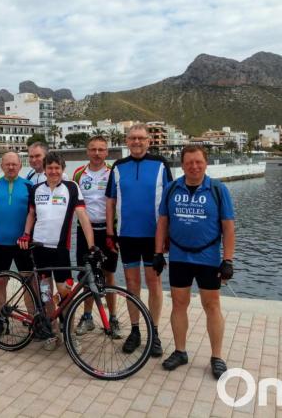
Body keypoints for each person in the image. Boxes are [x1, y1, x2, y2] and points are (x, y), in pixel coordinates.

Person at [157, 145, 235, 379]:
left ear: (205, 163)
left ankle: (217, 357)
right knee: (179, 304)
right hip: (179, 257)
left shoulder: (218, 189)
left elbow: (228, 227)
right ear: (182, 165)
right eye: (189, 162)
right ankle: (180, 351)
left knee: (212, 305)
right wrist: (158, 253)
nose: (194, 166)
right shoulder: (172, 188)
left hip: (208, 258)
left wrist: (228, 259)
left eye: (198, 162)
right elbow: (163, 222)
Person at [18, 151, 100, 350]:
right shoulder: (36, 189)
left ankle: (69, 334)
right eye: (50, 168)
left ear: (63, 169)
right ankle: (52, 333)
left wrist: (91, 246)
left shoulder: (71, 187)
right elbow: (31, 214)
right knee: (46, 294)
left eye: (57, 168)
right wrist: (26, 234)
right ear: (45, 169)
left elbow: (83, 217)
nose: (53, 171)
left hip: (60, 250)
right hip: (39, 248)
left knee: (65, 293)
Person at [106, 124, 173, 358]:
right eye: (132, 138)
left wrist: (168, 234)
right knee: (132, 284)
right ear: (127, 141)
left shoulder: (161, 164)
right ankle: (135, 331)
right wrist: (110, 233)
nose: (136, 142)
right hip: (127, 236)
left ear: (148, 141)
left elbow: (169, 200)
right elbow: (110, 201)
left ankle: (154, 332)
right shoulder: (118, 166)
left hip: (154, 236)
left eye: (141, 138)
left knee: (154, 283)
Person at [0, 151, 35, 338]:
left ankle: (33, 319)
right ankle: (0, 319)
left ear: (20, 165)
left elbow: (34, 213)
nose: (11, 167)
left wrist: (28, 235)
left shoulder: (29, 186)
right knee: (0, 281)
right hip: (0, 243)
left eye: (14, 164)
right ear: (1, 166)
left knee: (28, 282)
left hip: (23, 243)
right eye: (7, 164)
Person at [71, 136, 121, 337]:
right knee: (87, 274)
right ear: (87, 151)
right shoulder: (78, 173)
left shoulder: (113, 173)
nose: (97, 153)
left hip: (108, 231)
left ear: (107, 152)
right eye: (93, 149)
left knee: (109, 274)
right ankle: (87, 317)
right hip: (85, 231)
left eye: (101, 149)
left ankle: (113, 318)